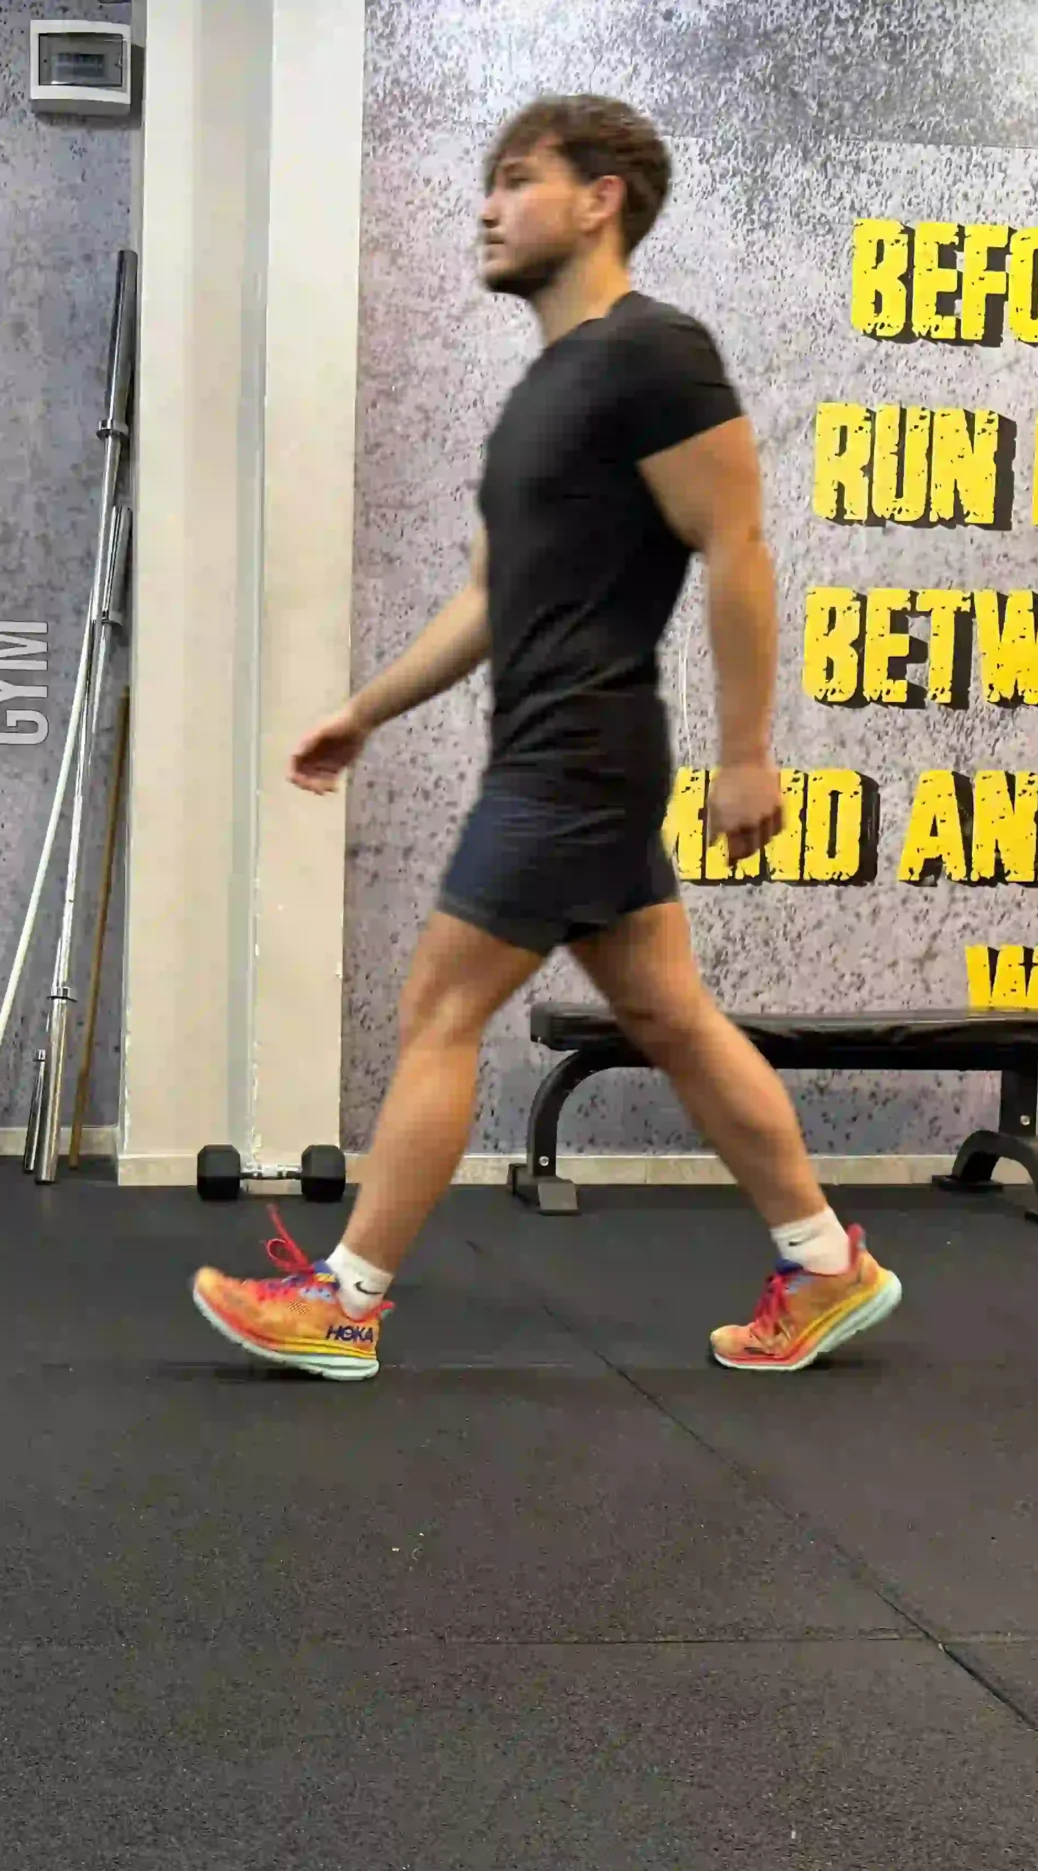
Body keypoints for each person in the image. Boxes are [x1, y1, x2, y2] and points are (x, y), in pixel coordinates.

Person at [190, 94, 901, 1381]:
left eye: (517, 179)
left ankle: (345, 1301)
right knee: (671, 1016)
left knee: (436, 1009)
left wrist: (751, 750)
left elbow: (733, 542)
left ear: (598, 199)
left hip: (578, 752)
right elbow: (486, 596)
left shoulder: (654, 354)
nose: (487, 203)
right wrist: (365, 709)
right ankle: (825, 1265)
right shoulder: (544, 394)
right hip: (562, 749)